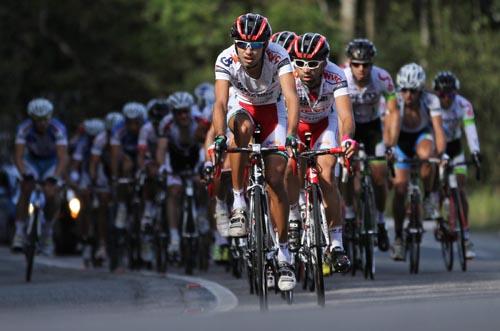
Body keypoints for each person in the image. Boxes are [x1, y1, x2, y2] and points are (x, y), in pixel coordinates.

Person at [211, 13, 300, 291]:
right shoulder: (226, 59)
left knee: (276, 180)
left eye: (255, 45)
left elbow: (291, 97)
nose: (249, 51)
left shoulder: (279, 55)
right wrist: (219, 136)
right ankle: (238, 203)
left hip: (274, 111)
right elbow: (220, 103)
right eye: (242, 44)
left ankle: (284, 254)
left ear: (266, 44)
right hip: (243, 107)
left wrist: (292, 135)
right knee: (243, 130)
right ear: (235, 44)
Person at [285, 32, 357, 274]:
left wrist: (346, 139)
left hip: (325, 124)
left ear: (325, 62)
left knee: (327, 175)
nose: (306, 69)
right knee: (291, 167)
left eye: (313, 63)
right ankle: (294, 214)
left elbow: (346, 115)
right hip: (296, 125)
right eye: (300, 62)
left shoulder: (335, 75)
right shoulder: (287, 75)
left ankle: (336, 243)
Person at [342, 39, 400, 252]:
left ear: (372, 64)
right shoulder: (342, 77)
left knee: (379, 172)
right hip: (350, 128)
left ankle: (381, 220)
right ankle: (348, 214)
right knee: (345, 170)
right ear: (349, 63)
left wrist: (391, 144)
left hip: (374, 128)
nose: (361, 69)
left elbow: (393, 112)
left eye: (366, 64)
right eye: (356, 64)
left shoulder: (382, 78)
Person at [391, 63, 446, 260]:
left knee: (427, 156)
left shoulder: (431, 100)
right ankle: (398, 237)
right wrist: (388, 150)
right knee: (400, 188)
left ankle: (429, 196)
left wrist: (440, 155)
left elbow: (439, 129)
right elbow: (389, 129)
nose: (408, 95)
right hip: (400, 139)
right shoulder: (395, 100)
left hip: (421, 136)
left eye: (413, 91)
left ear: (420, 90)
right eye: (404, 90)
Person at [432, 71, 481, 259]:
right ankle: (438, 215)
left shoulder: (463, 105)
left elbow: (470, 129)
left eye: (450, 95)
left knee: (460, 189)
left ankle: (466, 237)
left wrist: (475, 151)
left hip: (455, 148)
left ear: (456, 94)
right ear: (437, 94)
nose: (446, 99)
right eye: (442, 95)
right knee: (437, 182)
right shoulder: (432, 105)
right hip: (438, 147)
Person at [12, 98, 68, 255]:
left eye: (45, 119)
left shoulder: (58, 128)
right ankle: (19, 232)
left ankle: (48, 232)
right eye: (37, 120)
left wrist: (55, 177)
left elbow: (63, 157)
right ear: (31, 119)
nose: (42, 123)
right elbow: (18, 156)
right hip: (32, 161)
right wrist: (24, 174)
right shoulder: (23, 128)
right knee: (26, 187)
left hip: (52, 161)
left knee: (51, 192)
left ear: (50, 117)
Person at [156, 92, 209, 256]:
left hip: (194, 157)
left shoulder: (199, 120)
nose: (183, 115)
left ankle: (200, 213)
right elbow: (161, 148)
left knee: (202, 183)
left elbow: (205, 144)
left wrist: (206, 163)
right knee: (173, 191)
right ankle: (174, 237)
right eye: (179, 112)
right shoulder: (166, 124)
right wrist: (162, 167)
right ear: (173, 113)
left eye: (186, 111)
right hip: (175, 160)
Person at [69, 118, 105, 264]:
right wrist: (75, 181)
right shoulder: (82, 143)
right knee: (82, 203)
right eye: (92, 136)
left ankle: (103, 242)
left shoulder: (105, 141)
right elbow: (75, 166)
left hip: (102, 173)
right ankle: (84, 235)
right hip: (86, 174)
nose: (95, 139)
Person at [89, 112, 124, 261]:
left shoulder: (125, 135)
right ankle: (102, 244)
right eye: (111, 132)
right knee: (102, 203)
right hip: (104, 172)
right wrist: (93, 178)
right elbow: (93, 163)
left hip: (122, 171)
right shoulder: (100, 139)